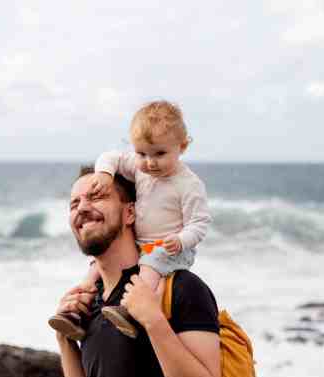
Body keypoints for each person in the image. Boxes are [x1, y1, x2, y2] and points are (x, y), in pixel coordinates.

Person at [53, 165, 221, 377]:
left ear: (130, 213)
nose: (83, 208)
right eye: (74, 203)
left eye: (96, 196)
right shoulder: (91, 301)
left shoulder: (180, 288)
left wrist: (153, 320)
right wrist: (64, 340)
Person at [49, 100, 211, 340]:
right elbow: (110, 157)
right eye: (141, 153)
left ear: (183, 146)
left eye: (159, 154)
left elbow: (199, 223)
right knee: (96, 266)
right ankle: (78, 311)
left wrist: (180, 239)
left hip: (172, 248)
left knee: (150, 265)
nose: (149, 162)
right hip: (143, 244)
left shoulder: (189, 185)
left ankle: (130, 313)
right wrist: (105, 175)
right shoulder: (140, 169)